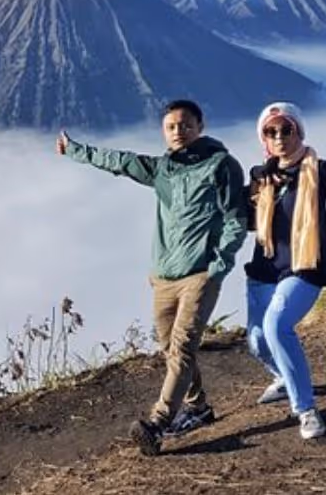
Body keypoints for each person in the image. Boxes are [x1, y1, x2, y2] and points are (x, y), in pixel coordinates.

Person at [55, 100, 246, 457]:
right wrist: (74, 150)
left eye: (185, 124)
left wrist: (220, 264)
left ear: (200, 126)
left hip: (200, 274)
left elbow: (236, 218)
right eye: (171, 126)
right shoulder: (162, 170)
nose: (178, 131)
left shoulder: (221, 165)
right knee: (171, 347)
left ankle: (157, 423)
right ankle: (198, 407)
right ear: (163, 131)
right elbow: (119, 161)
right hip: (164, 276)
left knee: (183, 347)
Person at [245, 102, 326, 440]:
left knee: (277, 326)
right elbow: (247, 221)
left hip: (304, 267)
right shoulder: (263, 176)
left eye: (286, 129)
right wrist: (251, 187)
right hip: (264, 267)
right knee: (258, 340)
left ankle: (305, 409)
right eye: (271, 131)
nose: (279, 137)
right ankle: (284, 376)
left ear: (299, 131)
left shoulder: (319, 170)